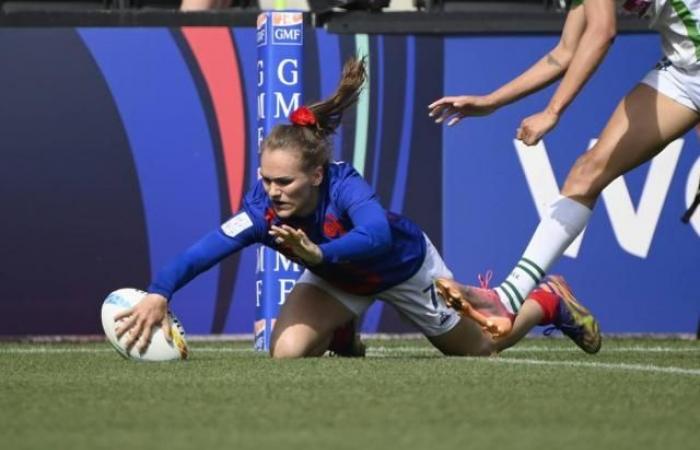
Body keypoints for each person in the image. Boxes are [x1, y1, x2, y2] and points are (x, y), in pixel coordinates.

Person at [114, 58, 601, 359]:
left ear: (316, 175)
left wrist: (319, 257)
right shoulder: (262, 208)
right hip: (336, 279)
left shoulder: (346, 186)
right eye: (265, 179)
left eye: (284, 181)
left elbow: (378, 238)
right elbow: (208, 248)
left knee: (483, 348)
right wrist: (160, 292)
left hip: (403, 270)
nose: (273, 191)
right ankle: (344, 330)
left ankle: (548, 301)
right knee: (286, 354)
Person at [428, 0, 699, 319]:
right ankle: (509, 297)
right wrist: (492, 101)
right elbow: (566, 51)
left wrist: (552, 111)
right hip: (684, 71)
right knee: (587, 174)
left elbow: (602, 32)